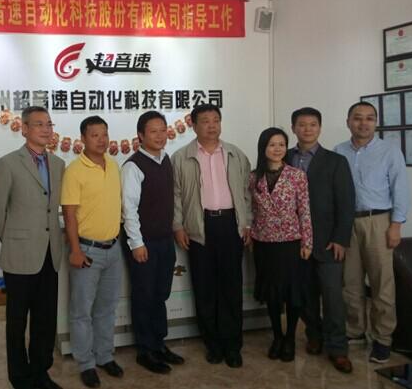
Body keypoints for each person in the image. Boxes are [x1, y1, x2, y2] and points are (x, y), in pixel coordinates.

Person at [0, 106, 65, 389]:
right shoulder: (8, 163)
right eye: (39, 124)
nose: (46, 129)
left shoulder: (58, 164)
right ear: (24, 129)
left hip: (50, 254)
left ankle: (41, 373)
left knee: (45, 319)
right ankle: (20, 378)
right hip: (19, 255)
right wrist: (11, 239)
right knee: (17, 321)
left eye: (49, 124)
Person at [171, 104, 252, 368]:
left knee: (231, 287)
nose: (212, 125)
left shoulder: (235, 154)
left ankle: (233, 345)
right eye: (205, 121)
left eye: (216, 120)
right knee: (205, 288)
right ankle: (213, 344)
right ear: (194, 125)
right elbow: (176, 196)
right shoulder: (181, 157)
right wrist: (178, 225)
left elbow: (246, 193)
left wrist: (247, 223)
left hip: (231, 224)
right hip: (199, 226)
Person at [335, 101, 410, 364]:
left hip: (379, 221)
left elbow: (401, 189)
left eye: (369, 118)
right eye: (357, 118)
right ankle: (355, 330)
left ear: (375, 123)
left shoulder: (389, 151)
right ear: (348, 122)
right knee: (351, 282)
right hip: (347, 223)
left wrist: (396, 225)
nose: (363, 123)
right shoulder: (339, 152)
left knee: (382, 284)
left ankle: (382, 339)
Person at [287, 107, 355, 373]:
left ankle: (338, 348)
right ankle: (314, 336)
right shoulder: (285, 157)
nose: (307, 129)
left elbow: (346, 203)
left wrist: (340, 239)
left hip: (328, 242)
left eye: (313, 124)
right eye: (302, 124)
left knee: (333, 298)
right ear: (293, 128)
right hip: (295, 242)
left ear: (320, 128)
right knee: (305, 295)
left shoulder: (336, 161)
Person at [61, 116, 124, 388]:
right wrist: (75, 250)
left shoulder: (114, 165)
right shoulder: (74, 171)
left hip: (114, 248)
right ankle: (86, 363)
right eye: (94, 135)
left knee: (107, 308)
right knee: (81, 311)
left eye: (104, 134)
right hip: (87, 250)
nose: (101, 139)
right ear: (83, 139)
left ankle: (104, 355)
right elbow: (69, 215)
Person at [121, 111, 185, 374]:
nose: (160, 136)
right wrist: (136, 243)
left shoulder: (165, 159)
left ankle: (159, 344)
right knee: (144, 295)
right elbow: (129, 209)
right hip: (143, 242)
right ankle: (145, 350)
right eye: (153, 131)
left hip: (164, 240)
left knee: (160, 294)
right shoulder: (133, 166)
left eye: (163, 130)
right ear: (140, 135)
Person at [250, 127, 312, 363]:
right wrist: (250, 234)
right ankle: (277, 336)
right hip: (264, 244)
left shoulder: (297, 176)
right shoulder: (253, 177)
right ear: (263, 148)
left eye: (281, 144)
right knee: (272, 294)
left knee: (292, 294)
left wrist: (307, 242)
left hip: (290, 243)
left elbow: (304, 211)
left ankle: (290, 338)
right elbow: (251, 211)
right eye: (272, 144)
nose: (277, 149)